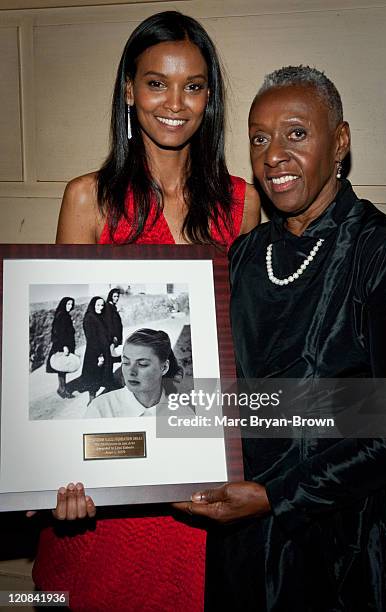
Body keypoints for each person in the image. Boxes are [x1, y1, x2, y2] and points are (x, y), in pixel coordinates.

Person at [32, 10, 260, 612]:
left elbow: (237, 351)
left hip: (197, 493)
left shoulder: (242, 205)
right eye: (156, 83)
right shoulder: (89, 199)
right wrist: (52, 466)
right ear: (129, 91)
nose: (174, 102)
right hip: (102, 501)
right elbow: (73, 330)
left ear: (209, 97)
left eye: (193, 86)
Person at [175, 66, 386, 611]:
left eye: (296, 134)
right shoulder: (245, 256)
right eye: (260, 137)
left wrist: (276, 496)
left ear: (341, 142)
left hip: (344, 544)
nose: (273, 154)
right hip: (244, 538)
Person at [85, 328, 182, 418]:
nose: (131, 372)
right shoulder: (99, 410)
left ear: (164, 367)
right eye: (126, 362)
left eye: (142, 364)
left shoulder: (182, 415)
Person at [80, 296, 113, 405]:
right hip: (95, 352)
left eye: (102, 305)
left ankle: (100, 398)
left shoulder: (100, 316)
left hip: (104, 350)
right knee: (93, 375)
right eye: (98, 305)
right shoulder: (89, 318)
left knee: (102, 374)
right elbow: (91, 338)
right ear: (93, 305)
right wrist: (99, 356)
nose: (101, 307)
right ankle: (92, 400)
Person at [46, 297, 76, 399]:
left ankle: (62, 388)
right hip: (62, 346)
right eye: (68, 304)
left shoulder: (64, 315)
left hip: (65, 345)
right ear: (64, 304)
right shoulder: (62, 316)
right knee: (62, 368)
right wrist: (64, 346)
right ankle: (62, 389)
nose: (70, 306)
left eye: (71, 304)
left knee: (63, 368)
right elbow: (59, 333)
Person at [103, 288, 123, 353]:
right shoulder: (108, 307)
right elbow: (109, 323)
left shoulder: (112, 306)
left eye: (117, 296)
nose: (116, 298)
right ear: (110, 296)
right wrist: (113, 336)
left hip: (116, 335)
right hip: (113, 336)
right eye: (114, 296)